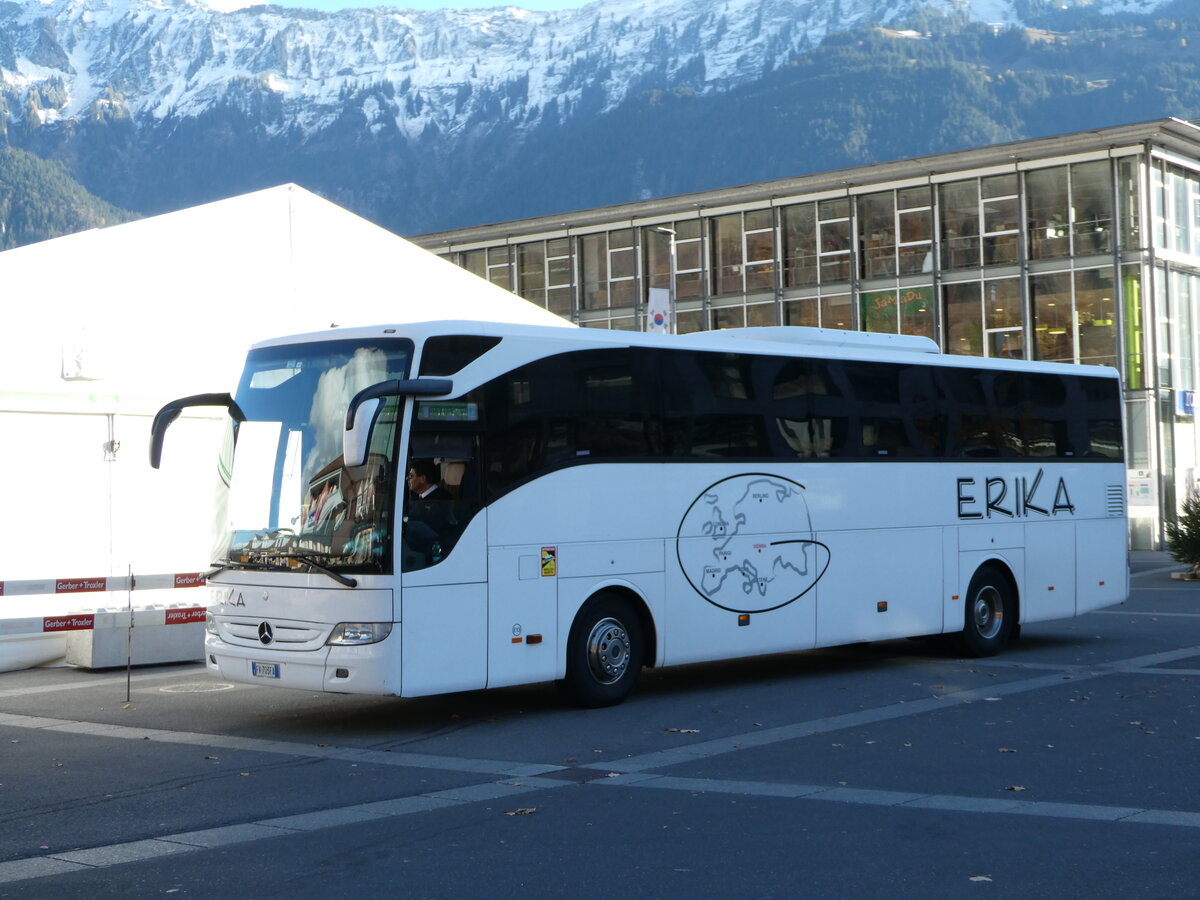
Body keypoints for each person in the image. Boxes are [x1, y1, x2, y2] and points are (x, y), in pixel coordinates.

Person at [403, 459, 455, 566]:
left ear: (422, 479)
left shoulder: (442, 499)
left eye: (411, 476)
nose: (408, 479)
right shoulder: (415, 497)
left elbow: (435, 529)